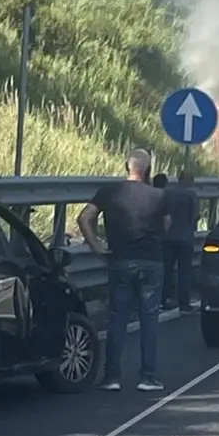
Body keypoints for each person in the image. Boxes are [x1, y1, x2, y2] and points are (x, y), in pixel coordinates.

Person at [76, 148, 169, 392]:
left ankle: (112, 377)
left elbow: (85, 218)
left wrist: (97, 248)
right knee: (149, 319)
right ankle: (147, 377)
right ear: (147, 169)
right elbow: (167, 224)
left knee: (117, 318)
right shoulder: (159, 195)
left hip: (120, 261)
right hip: (151, 261)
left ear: (126, 166)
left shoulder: (109, 192)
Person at [162, 170, 200, 313]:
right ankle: (184, 303)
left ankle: (163, 300)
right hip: (185, 238)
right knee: (184, 272)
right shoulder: (191, 195)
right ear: (189, 181)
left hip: (167, 237)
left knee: (166, 270)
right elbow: (195, 215)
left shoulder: (167, 193)